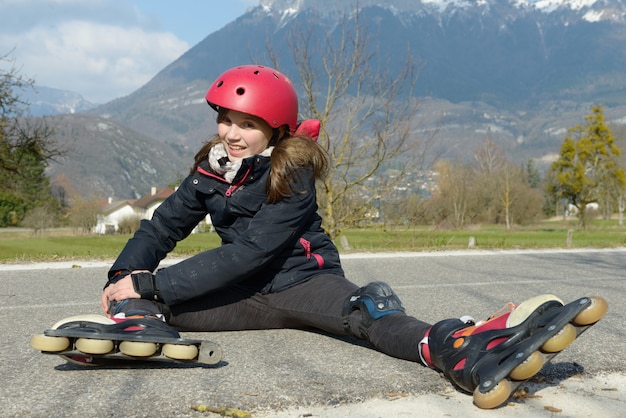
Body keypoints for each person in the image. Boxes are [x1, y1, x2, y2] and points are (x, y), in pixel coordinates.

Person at [34, 65, 607, 409]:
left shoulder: (293, 174)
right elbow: (164, 224)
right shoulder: (210, 167)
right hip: (246, 295)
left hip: (302, 282)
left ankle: (462, 346)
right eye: (225, 120)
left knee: (367, 316)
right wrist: (125, 279)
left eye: (247, 125)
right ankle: (139, 331)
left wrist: (151, 280)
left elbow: (254, 250)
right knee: (153, 301)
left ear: (274, 129)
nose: (231, 133)